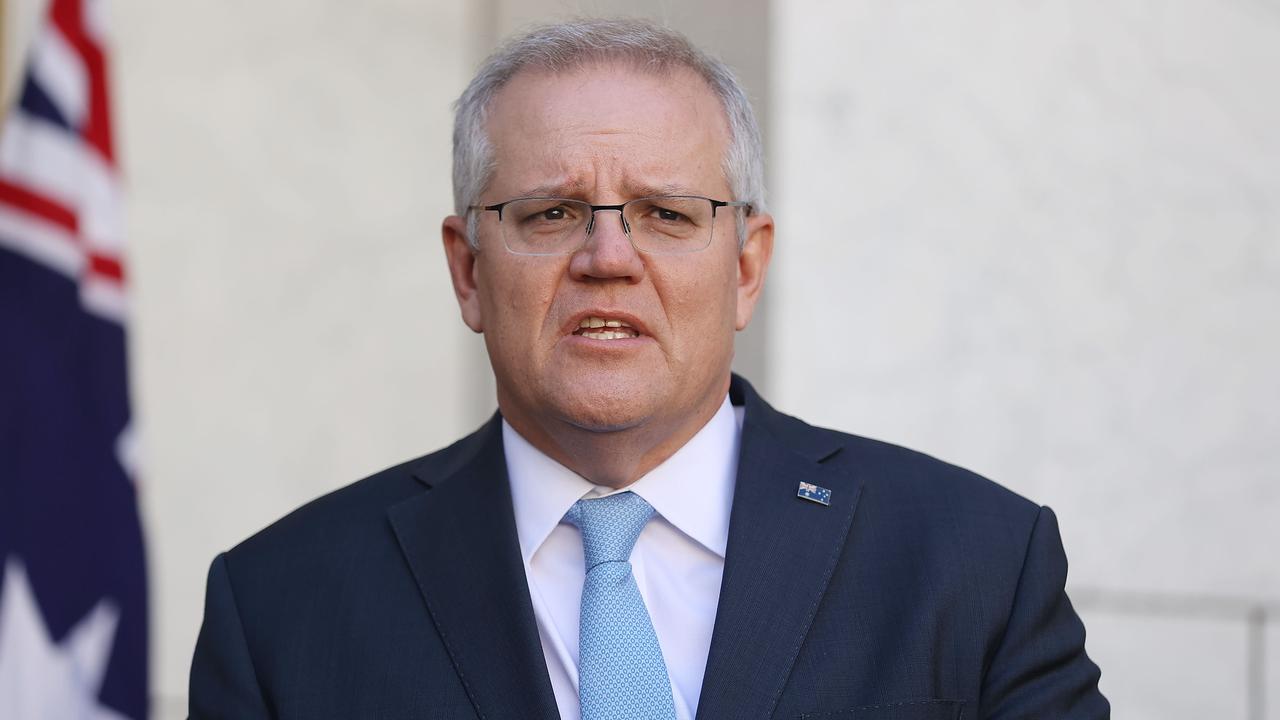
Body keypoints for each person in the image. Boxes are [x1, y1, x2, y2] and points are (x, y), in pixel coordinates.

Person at [189, 18, 1109, 720]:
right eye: (550, 214)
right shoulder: (283, 605)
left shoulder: (972, 566)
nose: (607, 257)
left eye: (666, 214)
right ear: (468, 270)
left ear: (745, 267)